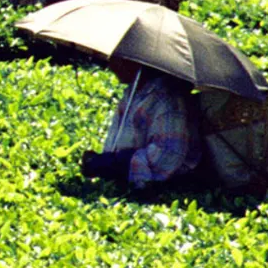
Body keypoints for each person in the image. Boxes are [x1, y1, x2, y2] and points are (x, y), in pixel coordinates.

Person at [79, 60, 207, 192]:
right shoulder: (132, 92)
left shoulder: (167, 99)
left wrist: (118, 163)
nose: (111, 66)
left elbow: (168, 155)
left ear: (137, 62)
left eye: (118, 59)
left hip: (167, 185)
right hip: (125, 174)